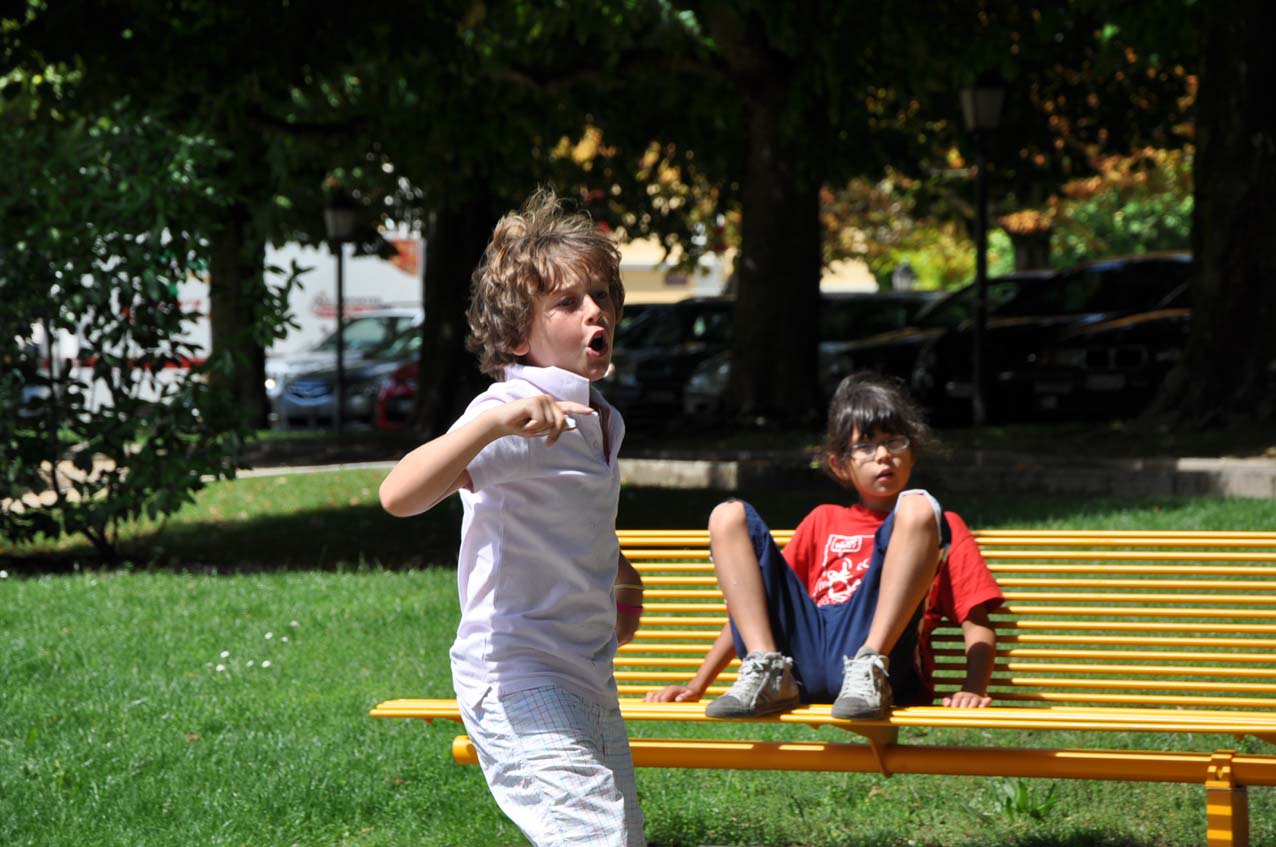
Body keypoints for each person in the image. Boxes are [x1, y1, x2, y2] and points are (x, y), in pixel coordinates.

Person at [379, 189, 645, 847]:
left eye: (601, 296)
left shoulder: (598, 417)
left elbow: (567, 515)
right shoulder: (513, 410)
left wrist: (620, 572)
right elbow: (398, 495)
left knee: (618, 835)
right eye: (567, 302)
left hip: (586, 671)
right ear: (519, 335)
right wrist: (492, 424)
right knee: (594, 838)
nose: (595, 311)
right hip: (518, 675)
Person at [645, 372, 1003, 720]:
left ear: (913, 452)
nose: (883, 455)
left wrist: (974, 687)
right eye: (865, 446)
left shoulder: (936, 525)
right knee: (727, 516)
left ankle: (870, 664)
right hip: (807, 656)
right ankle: (768, 671)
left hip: (886, 664)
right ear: (839, 464)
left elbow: (976, 623)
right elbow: (756, 604)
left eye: (895, 441)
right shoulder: (823, 521)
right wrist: (698, 684)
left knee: (917, 505)